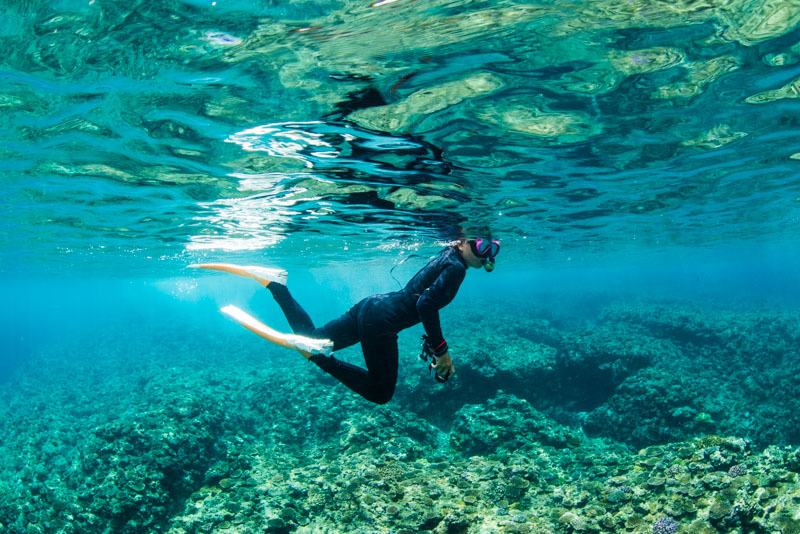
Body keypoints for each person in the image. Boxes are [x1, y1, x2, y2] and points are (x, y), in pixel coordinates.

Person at [261, 238, 499, 405]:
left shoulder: (449, 255)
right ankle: (317, 356)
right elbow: (425, 304)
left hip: (372, 306)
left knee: (311, 337)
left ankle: (276, 285)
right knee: (380, 392)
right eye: (480, 246)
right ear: (461, 241)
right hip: (382, 321)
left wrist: (437, 347)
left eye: (492, 249)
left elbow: (421, 299)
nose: (486, 254)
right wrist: (441, 351)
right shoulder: (457, 268)